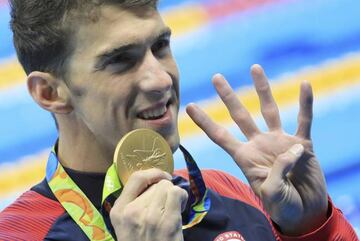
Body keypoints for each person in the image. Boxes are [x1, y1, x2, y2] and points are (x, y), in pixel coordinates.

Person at [0, 0, 358, 240]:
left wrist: (313, 229)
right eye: (121, 60)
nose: (161, 79)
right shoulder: (20, 234)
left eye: (160, 47)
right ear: (49, 93)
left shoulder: (232, 195)